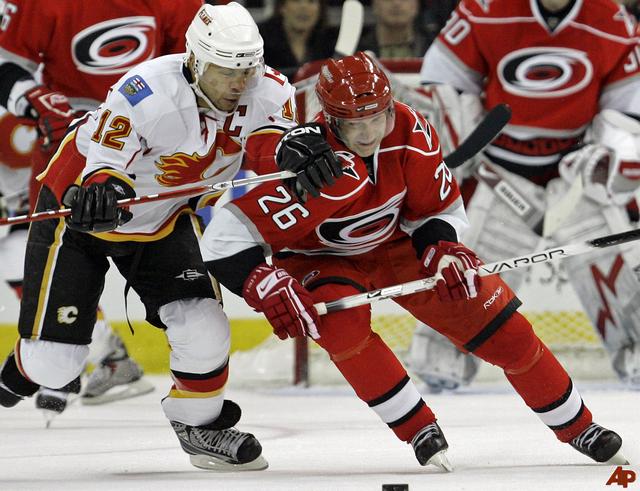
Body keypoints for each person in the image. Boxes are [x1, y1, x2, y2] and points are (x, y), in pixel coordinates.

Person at [200, 51, 628, 469]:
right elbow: (224, 238)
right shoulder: (310, 166)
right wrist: (261, 282)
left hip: (397, 247)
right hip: (319, 257)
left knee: (504, 329)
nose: (369, 134)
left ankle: (579, 427)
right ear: (330, 121)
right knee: (340, 325)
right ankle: (418, 428)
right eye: (354, 124)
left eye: (376, 118)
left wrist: (442, 250)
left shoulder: (410, 128)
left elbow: (435, 211)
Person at [0, 2, 299, 470]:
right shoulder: (146, 92)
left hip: (161, 218)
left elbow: (265, 150)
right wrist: (103, 189)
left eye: (249, 69)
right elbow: (104, 166)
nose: (240, 84)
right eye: (227, 71)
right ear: (197, 61)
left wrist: (297, 152)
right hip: (79, 215)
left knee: (204, 326)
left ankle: (200, 425)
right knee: (54, 366)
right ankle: (18, 375)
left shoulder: (271, 91)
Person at [413, 0, 640, 392]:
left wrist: (610, 151)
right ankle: (443, 357)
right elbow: (443, 81)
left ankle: (635, 353)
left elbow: (628, 108)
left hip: (576, 172)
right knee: (472, 273)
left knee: (610, 264)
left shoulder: (614, 21)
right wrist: (456, 143)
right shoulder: (486, 9)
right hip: (501, 170)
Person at [0, 0, 207, 418]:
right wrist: (38, 101)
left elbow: (199, 66)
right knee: (19, 254)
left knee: (192, 309)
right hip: (69, 146)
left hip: (154, 154)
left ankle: (196, 411)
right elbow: (5, 62)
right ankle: (99, 354)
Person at [257, 0, 338, 80]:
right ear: (282, 6)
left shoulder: (335, 41)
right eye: (296, 1)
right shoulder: (259, 39)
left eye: (311, 1)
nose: (303, 7)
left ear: (320, 9)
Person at [357, 0, 436, 59]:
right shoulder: (355, 50)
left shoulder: (434, 49)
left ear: (416, 5)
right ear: (375, 5)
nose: (396, 3)